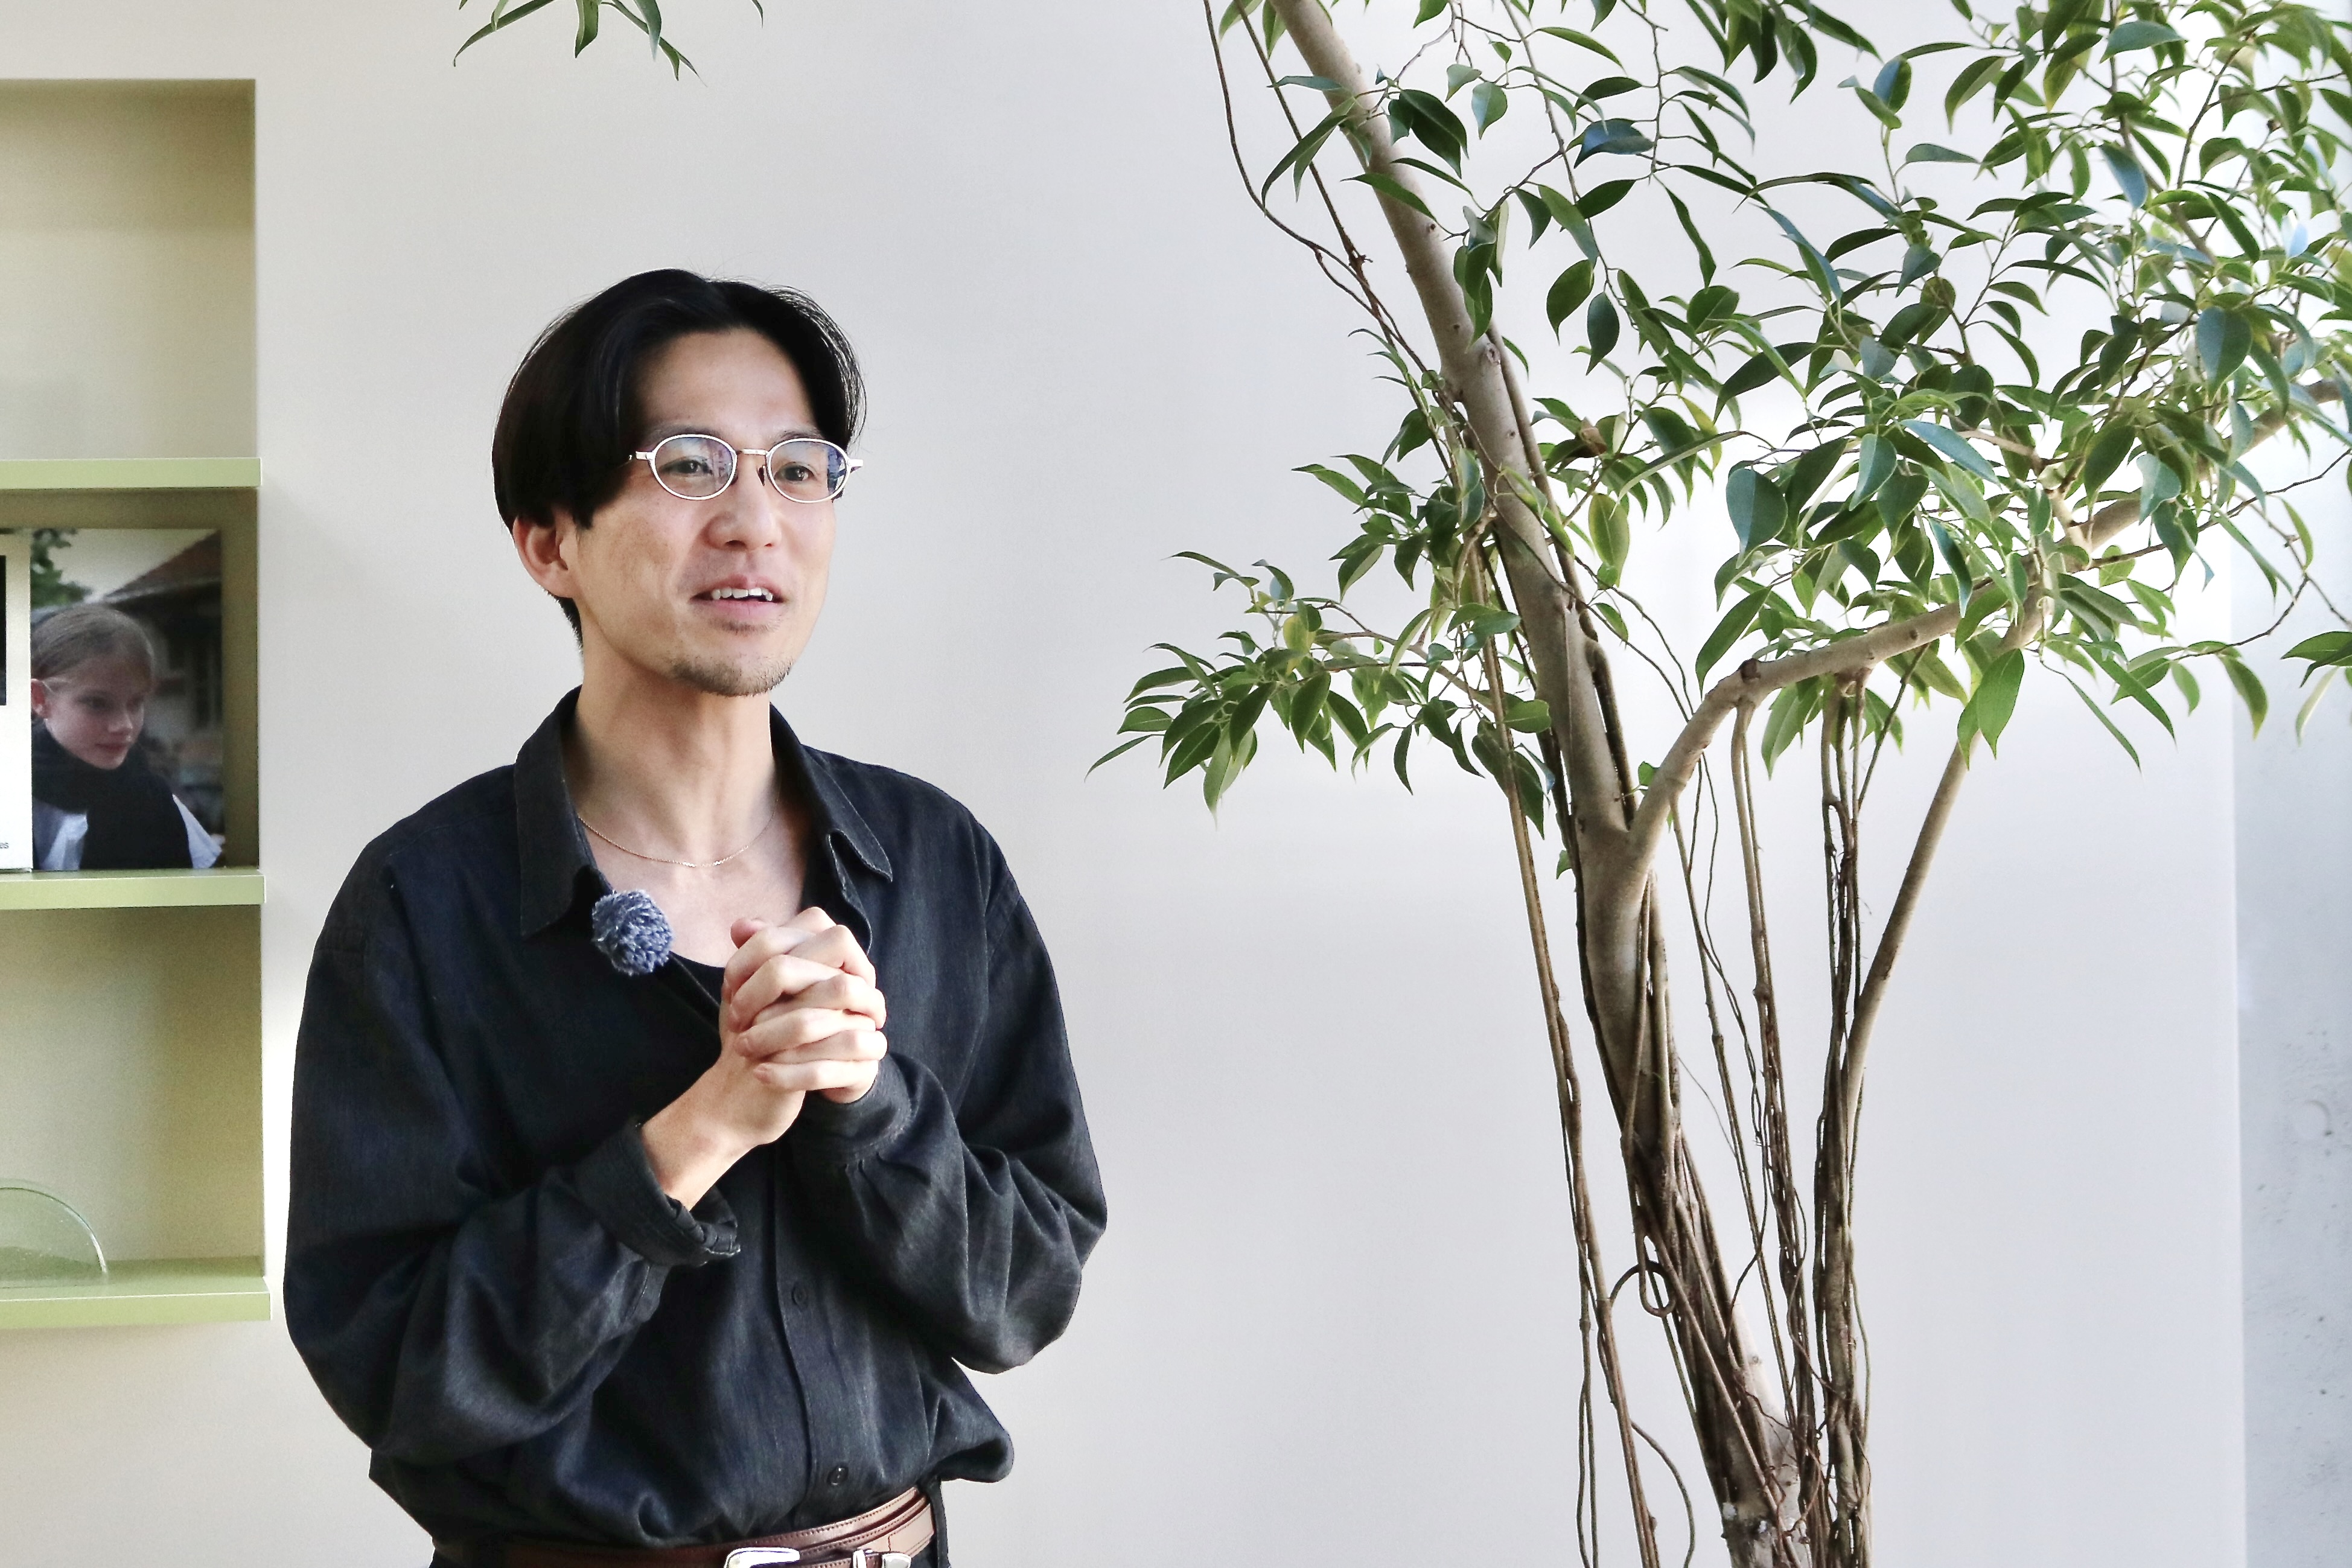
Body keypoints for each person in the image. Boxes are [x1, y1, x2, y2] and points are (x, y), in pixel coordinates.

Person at [285, 270, 1104, 1568]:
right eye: (687, 464)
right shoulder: (422, 905)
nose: (754, 521)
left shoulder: (935, 865)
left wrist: (872, 1110)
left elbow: (1024, 1291)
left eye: (797, 469)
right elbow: (397, 1373)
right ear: (548, 541)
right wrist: (690, 1139)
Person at [29, 602, 220, 871]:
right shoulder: (13, 794)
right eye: (97, 703)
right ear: (40, 699)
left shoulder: (154, 800)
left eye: (136, 702)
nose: (125, 725)